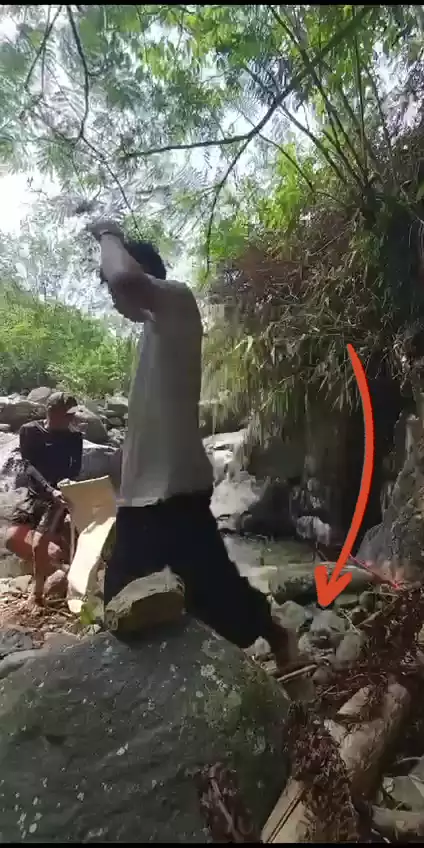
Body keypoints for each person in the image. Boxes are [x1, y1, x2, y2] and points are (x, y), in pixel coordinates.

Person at [89, 220, 300, 670]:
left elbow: (125, 279)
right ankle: (265, 636)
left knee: (208, 596)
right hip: (146, 498)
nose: (114, 299)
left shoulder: (177, 304)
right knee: (178, 595)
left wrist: (107, 233)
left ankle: (276, 635)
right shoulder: (151, 335)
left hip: (172, 493)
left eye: (112, 289)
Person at [5, 392, 83, 604]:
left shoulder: (74, 437)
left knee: (39, 543)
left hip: (58, 495)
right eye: (67, 415)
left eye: (72, 415)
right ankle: (57, 566)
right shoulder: (30, 431)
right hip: (34, 491)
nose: (71, 419)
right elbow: (28, 465)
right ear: (52, 412)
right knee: (12, 538)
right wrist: (48, 489)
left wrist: (65, 486)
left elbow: (75, 468)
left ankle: (37, 594)